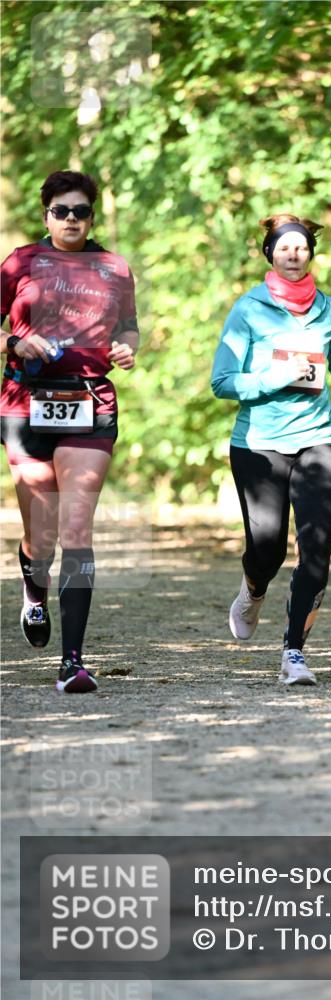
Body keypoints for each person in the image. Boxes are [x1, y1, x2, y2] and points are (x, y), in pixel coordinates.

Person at [1, 170, 138, 694]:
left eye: (81, 211)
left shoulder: (114, 268)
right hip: (25, 403)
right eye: (61, 211)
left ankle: (72, 662)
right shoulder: (20, 262)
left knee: (77, 529)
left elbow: (129, 327)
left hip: (90, 402)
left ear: (92, 216)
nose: (72, 219)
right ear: (47, 215)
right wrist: (14, 343)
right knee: (42, 537)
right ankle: (34, 590)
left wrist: (127, 348)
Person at [211, 213, 331, 686]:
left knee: (317, 550)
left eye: (301, 247)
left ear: (310, 253)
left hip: (318, 439)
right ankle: (253, 590)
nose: (293, 254)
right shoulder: (248, 309)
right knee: (267, 549)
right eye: (284, 247)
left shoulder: (330, 309)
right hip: (259, 445)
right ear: (269, 254)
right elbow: (222, 381)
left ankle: (294, 651)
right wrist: (276, 377)